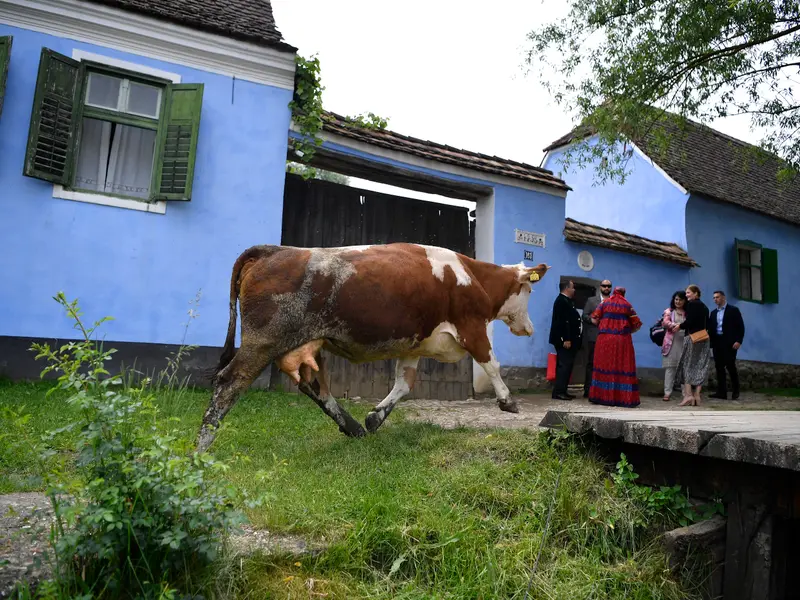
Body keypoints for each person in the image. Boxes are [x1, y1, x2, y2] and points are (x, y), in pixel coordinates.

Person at [587, 286, 642, 407]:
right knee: (622, 366)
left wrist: (604, 326)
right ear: (623, 294)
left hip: (605, 339)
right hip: (623, 340)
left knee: (604, 365)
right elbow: (637, 324)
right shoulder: (628, 305)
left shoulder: (604, 303)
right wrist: (627, 330)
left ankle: (601, 396)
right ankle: (623, 398)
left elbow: (594, 319)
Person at [676, 284, 711, 406]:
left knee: (687, 365)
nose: (686, 295)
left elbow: (689, 322)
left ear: (696, 293)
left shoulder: (691, 305)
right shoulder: (705, 307)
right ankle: (697, 395)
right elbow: (709, 324)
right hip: (704, 339)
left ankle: (688, 395)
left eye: (688, 293)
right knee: (700, 366)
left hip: (692, 338)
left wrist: (679, 326)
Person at [549, 280, 582, 400]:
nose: (574, 290)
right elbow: (562, 322)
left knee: (567, 366)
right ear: (567, 288)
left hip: (570, 340)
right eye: (573, 288)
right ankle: (558, 392)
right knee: (564, 366)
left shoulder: (567, 301)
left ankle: (563, 390)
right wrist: (566, 339)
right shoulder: (561, 301)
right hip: (564, 341)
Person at [709, 290, 745, 399]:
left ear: (723, 298)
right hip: (717, 342)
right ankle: (722, 392)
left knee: (730, 366)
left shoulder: (733, 310)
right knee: (719, 367)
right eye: (714, 298)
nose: (716, 299)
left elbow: (740, 327)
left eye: (717, 297)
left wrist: (738, 341)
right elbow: (711, 328)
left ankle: (736, 390)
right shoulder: (713, 313)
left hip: (729, 342)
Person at [582, 279, 612, 398]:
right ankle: (588, 390)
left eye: (608, 286)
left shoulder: (613, 301)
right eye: (604, 286)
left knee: (605, 364)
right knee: (591, 363)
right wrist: (592, 320)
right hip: (594, 336)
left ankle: (603, 390)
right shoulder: (592, 300)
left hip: (609, 337)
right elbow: (584, 315)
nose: (606, 288)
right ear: (600, 287)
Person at [661, 291, 687, 402]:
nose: (678, 301)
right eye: (676, 299)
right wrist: (675, 325)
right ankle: (667, 393)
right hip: (671, 342)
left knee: (685, 369)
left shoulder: (688, 312)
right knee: (670, 368)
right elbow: (665, 322)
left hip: (685, 342)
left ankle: (686, 393)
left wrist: (681, 326)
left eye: (680, 299)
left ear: (685, 301)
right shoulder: (669, 311)